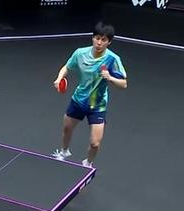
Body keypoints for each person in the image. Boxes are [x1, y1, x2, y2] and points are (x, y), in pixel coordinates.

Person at [51, 22, 127, 168]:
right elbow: (67, 67)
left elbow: (124, 84)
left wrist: (110, 78)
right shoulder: (80, 53)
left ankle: (88, 163)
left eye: (103, 40)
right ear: (92, 38)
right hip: (78, 100)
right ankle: (64, 152)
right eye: (97, 38)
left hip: (97, 105)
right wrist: (59, 78)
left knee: (95, 143)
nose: (99, 43)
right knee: (67, 129)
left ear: (109, 42)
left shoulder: (113, 59)